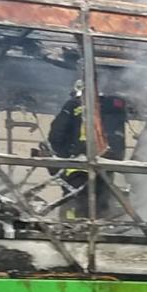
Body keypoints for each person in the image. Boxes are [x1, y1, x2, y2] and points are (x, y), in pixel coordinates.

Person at [48, 80, 110, 218]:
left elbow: (56, 136)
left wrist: (65, 156)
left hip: (76, 168)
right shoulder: (106, 108)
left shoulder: (72, 105)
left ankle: (71, 231)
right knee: (98, 208)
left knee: (74, 205)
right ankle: (98, 233)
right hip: (104, 170)